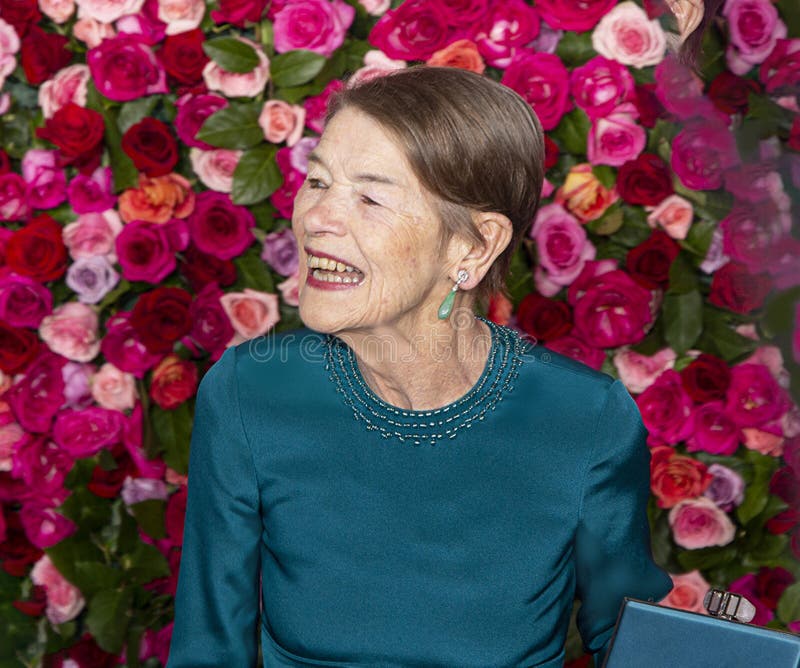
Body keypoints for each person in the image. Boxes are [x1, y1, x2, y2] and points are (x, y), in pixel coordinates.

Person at [166, 66, 673, 668]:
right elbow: (206, 648)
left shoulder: (585, 418)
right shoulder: (251, 392)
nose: (316, 219)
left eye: (370, 197)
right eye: (318, 181)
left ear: (475, 246)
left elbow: (632, 644)